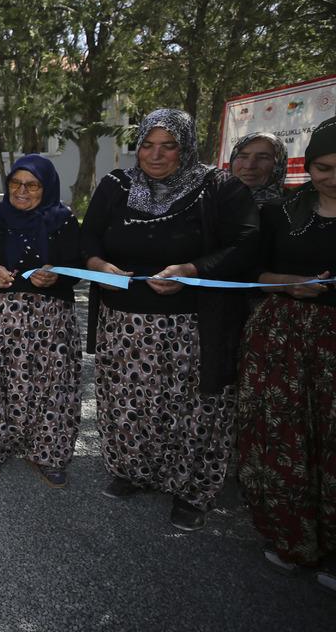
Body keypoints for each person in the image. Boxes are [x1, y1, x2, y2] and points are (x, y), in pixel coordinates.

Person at [81, 107, 258, 531]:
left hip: (193, 325)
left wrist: (192, 271)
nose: (156, 155)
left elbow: (247, 244)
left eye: (169, 146)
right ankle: (132, 471)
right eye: (147, 145)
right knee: (129, 403)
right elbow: (86, 236)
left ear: (187, 147)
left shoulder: (220, 188)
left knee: (194, 407)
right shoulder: (115, 185)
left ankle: (190, 490)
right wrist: (97, 265)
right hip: (124, 324)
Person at [238, 115, 336, 592]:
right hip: (282, 340)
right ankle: (291, 537)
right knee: (283, 437)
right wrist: (291, 285)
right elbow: (252, 271)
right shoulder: (283, 211)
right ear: (309, 166)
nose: (332, 178)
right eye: (323, 167)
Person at [0, 154, 82, 487]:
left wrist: (57, 275)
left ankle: (48, 453)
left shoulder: (63, 220)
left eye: (32, 185)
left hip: (50, 319)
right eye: (16, 183)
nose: (22, 191)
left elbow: (77, 263)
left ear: (46, 188)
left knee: (52, 385)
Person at [229, 132, 289, 206]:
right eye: (243, 156)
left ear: (279, 164)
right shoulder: (215, 202)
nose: (249, 166)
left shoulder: (295, 208)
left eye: (262, 157)